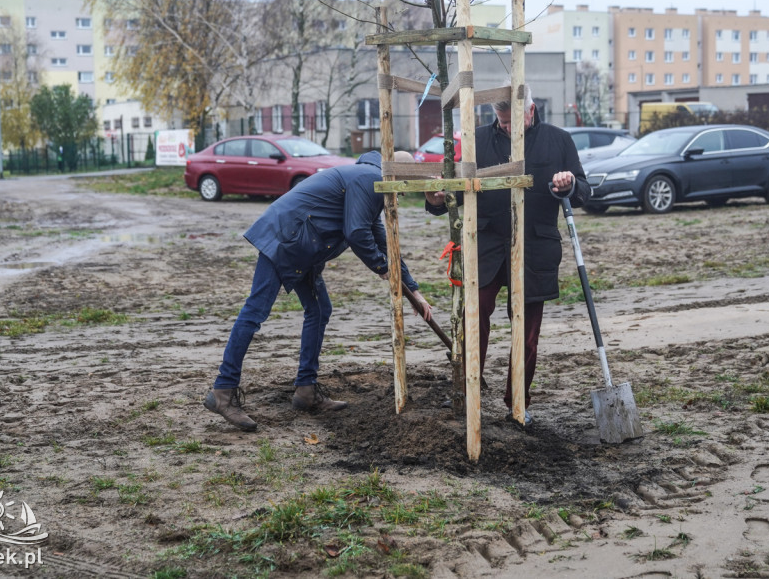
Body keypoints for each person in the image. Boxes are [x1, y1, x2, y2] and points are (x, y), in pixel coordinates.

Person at [204, 150, 433, 431]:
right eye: (404, 187)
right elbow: (357, 232)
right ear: (397, 175)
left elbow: (383, 243)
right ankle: (222, 392)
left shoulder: (366, 181)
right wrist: (381, 268)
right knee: (254, 312)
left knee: (319, 309)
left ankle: (306, 390)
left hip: (303, 245)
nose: (402, 195)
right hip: (285, 240)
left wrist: (413, 289)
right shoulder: (369, 179)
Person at [425, 85, 591, 426]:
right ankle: (468, 393)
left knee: (527, 335)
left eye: (511, 121)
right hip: (486, 249)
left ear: (530, 111)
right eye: (500, 122)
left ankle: (518, 402)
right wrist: (437, 199)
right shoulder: (477, 140)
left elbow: (584, 192)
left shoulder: (558, 140)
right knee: (474, 322)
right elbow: (450, 195)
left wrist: (569, 183)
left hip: (534, 250)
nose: (505, 128)